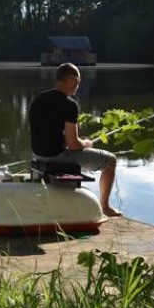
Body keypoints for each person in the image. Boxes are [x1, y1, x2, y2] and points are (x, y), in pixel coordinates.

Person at [28, 62, 122, 217]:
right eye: (78, 83)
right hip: (57, 157)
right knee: (111, 160)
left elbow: (46, 131)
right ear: (71, 80)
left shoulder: (39, 99)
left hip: (38, 155)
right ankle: (104, 207)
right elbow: (74, 145)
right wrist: (86, 143)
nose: (77, 86)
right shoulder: (69, 104)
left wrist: (68, 141)